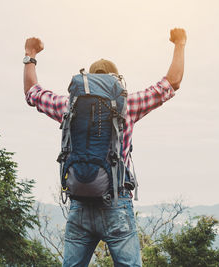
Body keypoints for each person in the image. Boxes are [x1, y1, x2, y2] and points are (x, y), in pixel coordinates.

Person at [23, 28, 186, 267]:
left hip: (79, 201)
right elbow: (172, 83)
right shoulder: (127, 104)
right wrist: (180, 43)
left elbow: (32, 93)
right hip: (117, 202)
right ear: (116, 81)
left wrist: (30, 54)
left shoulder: (69, 106)